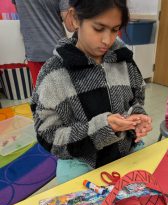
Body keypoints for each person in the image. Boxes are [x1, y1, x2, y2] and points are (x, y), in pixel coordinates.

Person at [31, 0, 152, 184]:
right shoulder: (53, 74)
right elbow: (49, 137)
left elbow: (136, 100)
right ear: (75, 18)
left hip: (126, 151)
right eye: (98, 28)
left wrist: (136, 118)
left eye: (114, 29)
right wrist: (101, 129)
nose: (107, 40)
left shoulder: (124, 61)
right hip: (81, 163)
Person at [11, 0, 73, 86]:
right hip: (58, 52)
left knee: (41, 96)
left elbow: (22, 13)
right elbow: (71, 26)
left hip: (33, 52)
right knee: (64, 96)